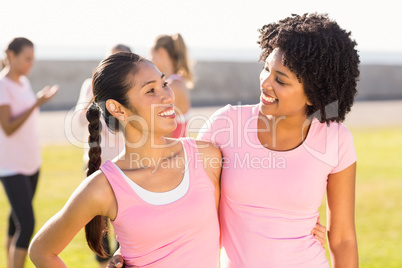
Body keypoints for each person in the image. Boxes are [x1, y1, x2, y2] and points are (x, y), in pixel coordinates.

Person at [28, 52, 222, 267]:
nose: (168, 96)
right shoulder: (105, 186)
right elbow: (41, 251)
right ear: (117, 108)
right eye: (151, 90)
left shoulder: (205, 157)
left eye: (164, 83)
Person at [197, 13, 359, 267]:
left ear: (313, 96)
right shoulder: (224, 126)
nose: (266, 83)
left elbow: (342, 238)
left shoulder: (335, 139)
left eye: (280, 80)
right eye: (266, 69)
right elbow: (189, 213)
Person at [0, 37, 58, 268]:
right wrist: (36, 103)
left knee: (16, 221)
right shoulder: (3, 85)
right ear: (11, 56)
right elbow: (9, 126)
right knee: (27, 222)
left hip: (31, 163)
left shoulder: (23, 83)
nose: (30, 64)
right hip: (11, 166)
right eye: (26, 59)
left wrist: (36, 100)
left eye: (33, 60)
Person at [74, 44, 131, 267]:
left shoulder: (127, 90)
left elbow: (123, 133)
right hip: (95, 166)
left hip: (123, 168)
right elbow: (80, 120)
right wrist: (95, 94)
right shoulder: (89, 86)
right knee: (99, 228)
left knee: (125, 226)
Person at [150, 33, 193, 138]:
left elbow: (165, 132)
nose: (151, 60)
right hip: (176, 150)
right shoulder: (176, 83)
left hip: (173, 152)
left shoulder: (172, 87)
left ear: (161, 52)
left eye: (152, 55)